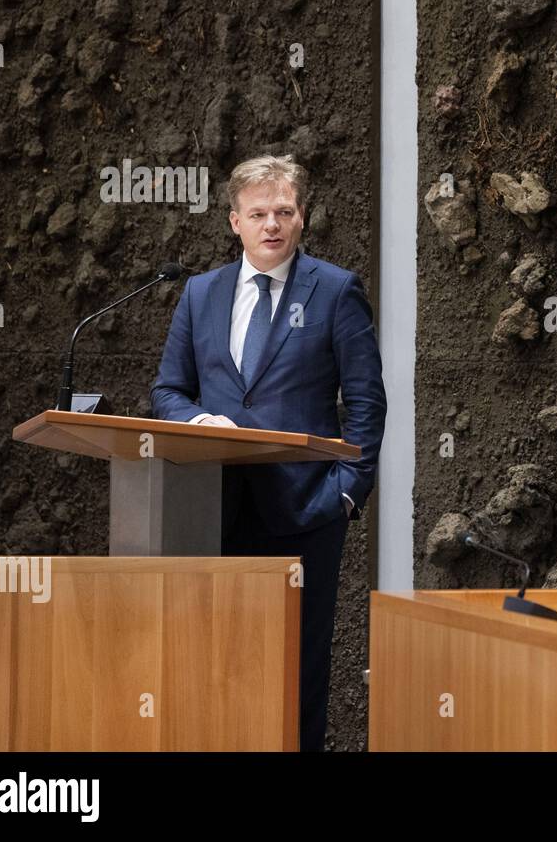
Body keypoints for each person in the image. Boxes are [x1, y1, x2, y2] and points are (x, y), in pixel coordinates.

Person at [151, 154, 386, 749]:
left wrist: (348, 494)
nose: (272, 224)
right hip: (210, 507)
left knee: (296, 671)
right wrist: (199, 420)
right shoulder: (201, 294)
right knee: (216, 660)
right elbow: (168, 390)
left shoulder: (335, 291)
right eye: (258, 213)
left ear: (302, 217)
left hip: (305, 512)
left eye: (284, 211)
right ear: (235, 222)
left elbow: (365, 403)